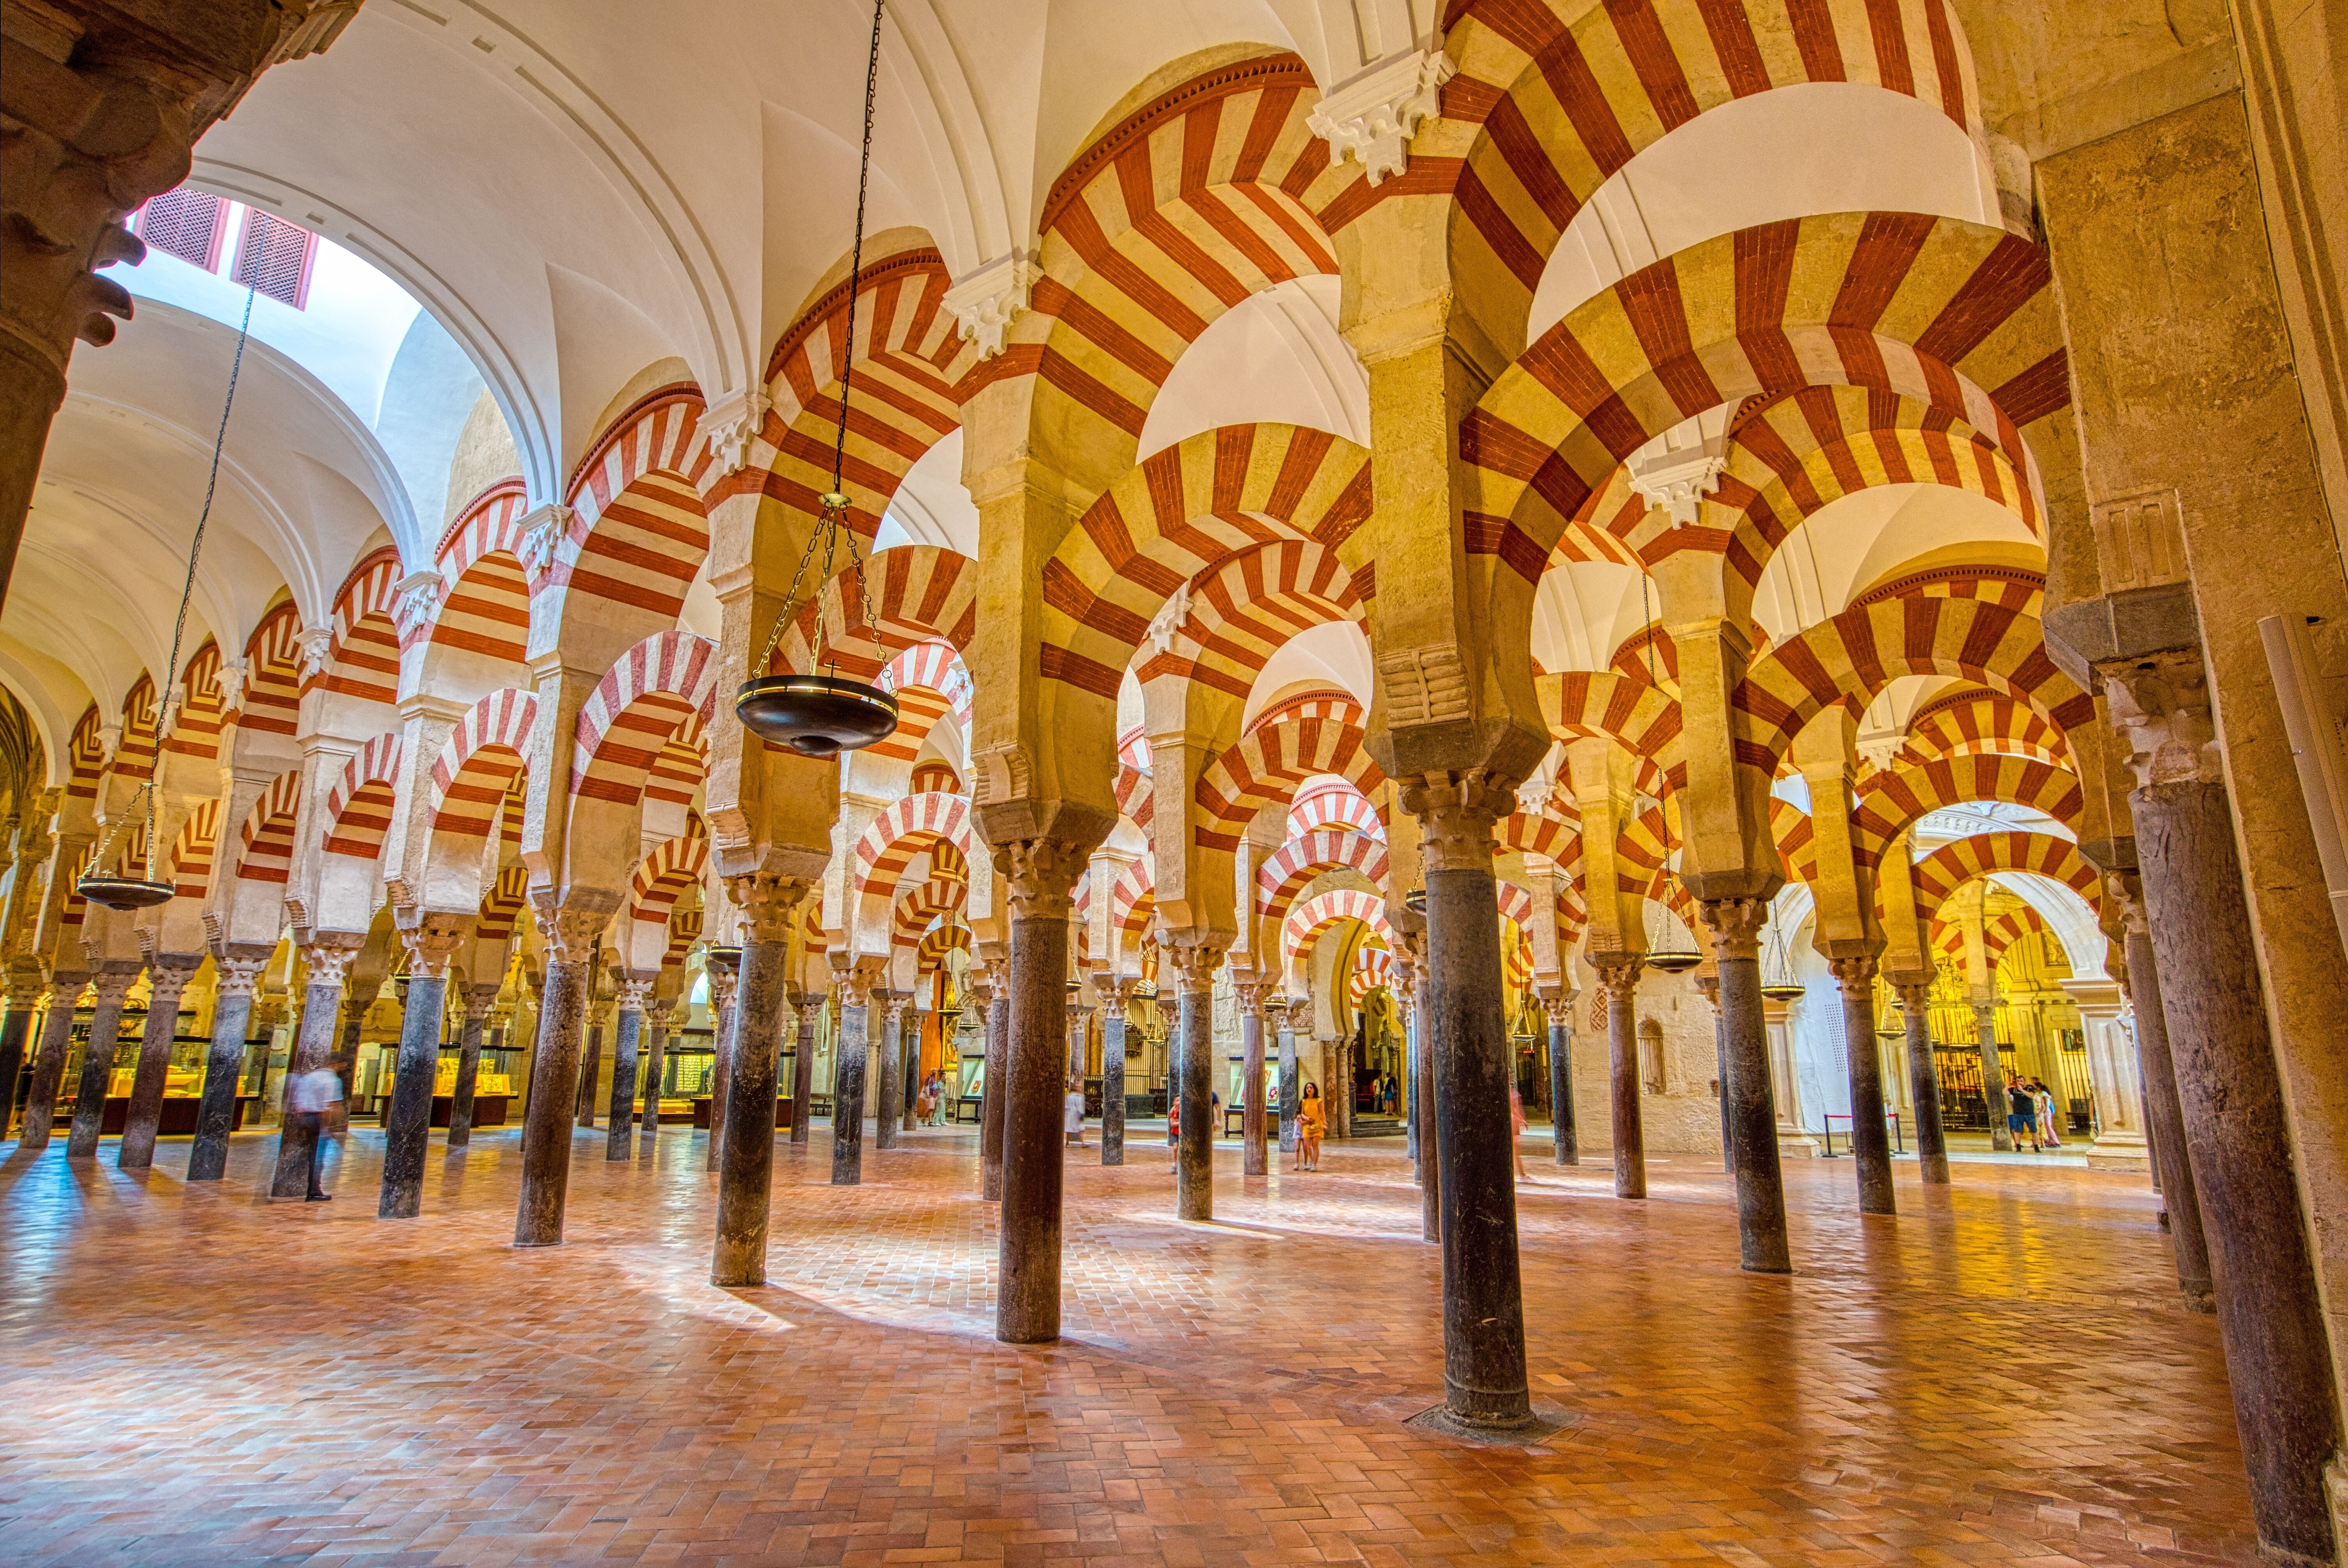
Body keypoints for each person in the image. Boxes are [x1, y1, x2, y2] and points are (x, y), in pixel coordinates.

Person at [284, 1059, 344, 1202]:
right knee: (317, 1156)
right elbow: (331, 1105)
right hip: (317, 1118)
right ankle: (314, 1191)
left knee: (308, 1154)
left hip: (304, 1117)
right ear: (337, 1065)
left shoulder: (308, 1077)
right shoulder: (332, 1080)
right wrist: (330, 1126)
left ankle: (291, 1185)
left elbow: (297, 1101)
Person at [1296, 1082, 1325, 1172]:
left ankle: (1314, 1165)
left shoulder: (1318, 1100)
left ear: (1314, 1090)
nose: (1309, 1089)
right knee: (1307, 1146)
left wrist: (1325, 1123)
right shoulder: (1304, 1101)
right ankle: (1312, 1160)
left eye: (1311, 1088)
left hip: (1316, 1124)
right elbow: (1302, 1113)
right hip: (1307, 1125)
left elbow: (1322, 1112)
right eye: (1307, 1088)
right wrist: (1306, 1118)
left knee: (1315, 1145)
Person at [2007, 1075, 2040, 1152]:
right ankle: (2018, 1147)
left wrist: (2022, 1090)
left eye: (2021, 1081)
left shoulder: (2029, 1088)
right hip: (2018, 1113)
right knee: (2018, 1130)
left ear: (2024, 1081)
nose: (2020, 1083)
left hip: (2029, 1113)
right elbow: (2005, 1092)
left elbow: (2031, 1096)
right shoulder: (2014, 1090)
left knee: (2034, 1130)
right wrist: (2007, 1086)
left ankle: (2037, 1147)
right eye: (2018, 1081)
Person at [2034, 1078, 2062, 1149]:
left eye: (2036, 1087)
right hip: (2042, 1112)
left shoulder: (2044, 1093)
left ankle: (2055, 1141)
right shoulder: (2038, 1094)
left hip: (2046, 1111)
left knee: (2048, 1126)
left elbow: (2046, 1104)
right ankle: (2049, 1142)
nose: (2035, 1088)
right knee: (2045, 1127)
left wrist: (2045, 1111)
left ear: (2039, 1087)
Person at [1509, 1082, 1529, 1180]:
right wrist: (1522, 1120)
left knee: (1516, 1152)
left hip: (1514, 1123)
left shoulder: (1511, 1091)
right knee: (1516, 1151)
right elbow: (1513, 1108)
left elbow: (1515, 1108)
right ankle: (1522, 1175)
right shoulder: (1509, 1091)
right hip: (1513, 1124)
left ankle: (1522, 1175)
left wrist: (1521, 1120)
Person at [1064, 1077, 1087, 1146]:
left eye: (1080, 1087)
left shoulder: (1081, 1096)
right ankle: (1067, 1143)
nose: (1079, 1088)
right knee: (1069, 1130)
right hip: (1071, 1115)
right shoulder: (1069, 1096)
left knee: (1081, 1129)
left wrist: (1081, 1116)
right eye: (1078, 1087)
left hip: (1078, 1115)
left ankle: (1083, 1143)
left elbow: (1081, 1107)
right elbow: (1067, 1106)